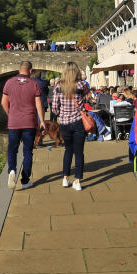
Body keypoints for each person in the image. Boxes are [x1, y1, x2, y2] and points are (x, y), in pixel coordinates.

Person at [1, 61, 46, 190]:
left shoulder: (9, 82)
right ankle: (25, 180)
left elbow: (3, 102)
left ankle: (11, 171)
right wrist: (42, 121)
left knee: (12, 149)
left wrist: (10, 115)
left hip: (14, 123)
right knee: (27, 152)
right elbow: (38, 104)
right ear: (30, 71)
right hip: (29, 123)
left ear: (18, 69)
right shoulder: (34, 84)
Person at [50, 61, 89, 191]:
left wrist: (61, 113)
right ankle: (77, 181)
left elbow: (54, 108)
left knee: (68, 150)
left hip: (65, 123)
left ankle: (65, 179)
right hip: (79, 122)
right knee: (79, 152)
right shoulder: (81, 84)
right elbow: (87, 95)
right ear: (76, 72)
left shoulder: (58, 86)